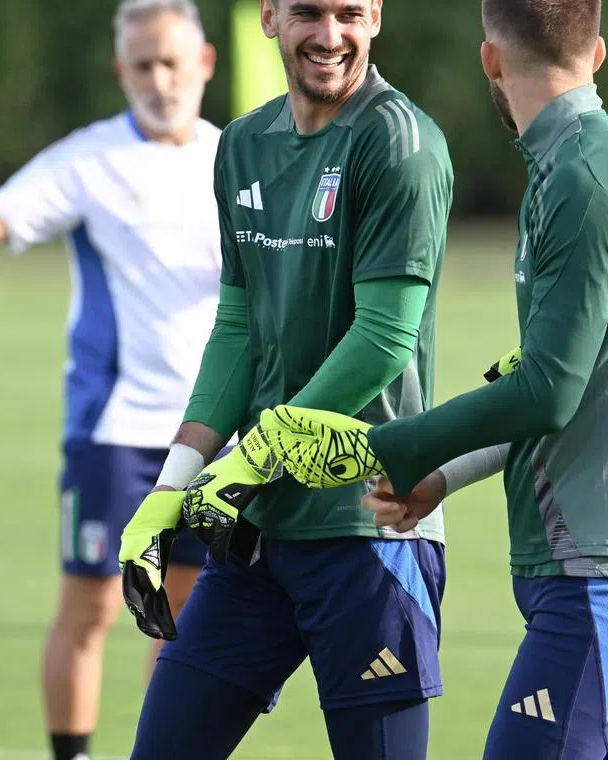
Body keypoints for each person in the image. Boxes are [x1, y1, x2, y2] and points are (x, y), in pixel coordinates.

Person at [256, 0, 608, 758]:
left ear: (490, 61)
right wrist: (445, 471)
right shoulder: (589, 161)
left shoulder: (584, 180)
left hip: (606, 565)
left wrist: (393, 448)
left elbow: (548, 390)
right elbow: (556, 377)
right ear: (596, 53)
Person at [115, 0, 454, 758]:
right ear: (269, 16)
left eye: (347, 14)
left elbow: (384, 337)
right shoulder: (241, 145)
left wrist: (252, 457)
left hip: (369, 530)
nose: (329, 36)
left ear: (376, 16)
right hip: (260, 536)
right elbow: (238, 333)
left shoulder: (399, 142)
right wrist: (172, 486)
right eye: (307, 12)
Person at [0, 2, 220, 759]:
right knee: (94, 606)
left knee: (186, 613)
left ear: (205, 64)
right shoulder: (88, 160)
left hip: (212, 435)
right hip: (116, 431)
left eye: (171, 62)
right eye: (142, 65)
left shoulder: (238, 160)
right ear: (119, 72)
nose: (158, 80)